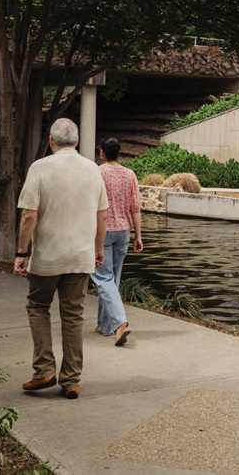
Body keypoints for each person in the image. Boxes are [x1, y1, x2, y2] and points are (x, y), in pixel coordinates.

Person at [14, 118, 107, 400]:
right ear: (77, 141)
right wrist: (98, 249)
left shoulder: (40, 167)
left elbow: (29, 215)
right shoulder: (93, 169)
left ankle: (43, 369)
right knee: (73, 315)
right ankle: (71, 380)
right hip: (80, 256)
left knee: (38, 306)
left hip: (47, 256)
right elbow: (102, 215)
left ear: (51, 141)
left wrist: (21, 252)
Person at [93, 136, 143, 346]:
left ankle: (119, 322)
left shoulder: (97, 172)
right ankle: (105, 326)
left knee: (103, 279)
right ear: (119, 152)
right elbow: (135, 207)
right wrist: (138, 235)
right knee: (112, 280)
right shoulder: (129, 174)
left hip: (102, 231)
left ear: (102, 152)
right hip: (123, 231)